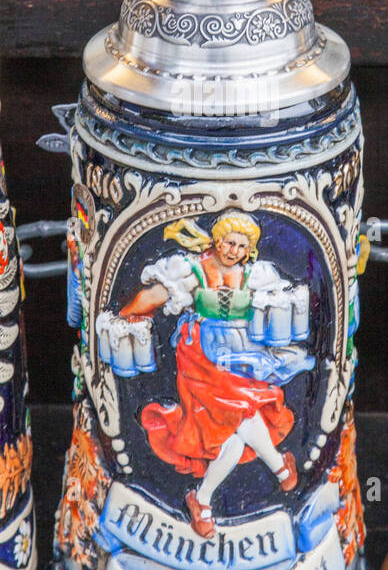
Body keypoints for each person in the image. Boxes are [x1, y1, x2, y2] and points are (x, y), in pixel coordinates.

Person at [118, 211, 313, 538]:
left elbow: (285, 302)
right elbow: (156, 295)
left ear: (249, 248)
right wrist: (128, 313)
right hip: (201, 359)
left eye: (241, 245)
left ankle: (203, 499)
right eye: (228, 242)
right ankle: (280, 468)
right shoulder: (194, 270)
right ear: (217, 240)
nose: (234, 250)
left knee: (233, 431)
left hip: (240, 355)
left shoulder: (255, 275)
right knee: (241, 413)